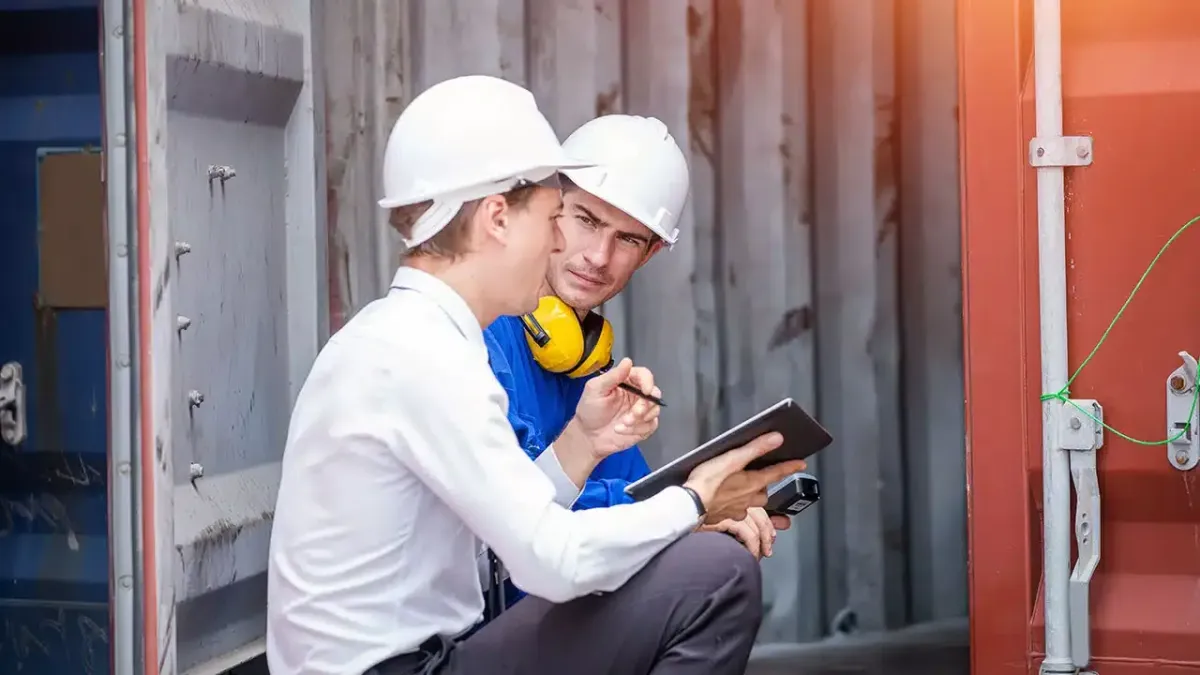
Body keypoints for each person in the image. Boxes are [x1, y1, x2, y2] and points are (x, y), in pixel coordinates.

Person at [265, 74, 806, 675]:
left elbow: (508, 527)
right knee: (717, 575)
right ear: (497, 218)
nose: (566, 247)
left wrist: (584, 444)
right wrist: (695, 500)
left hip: (428, 658)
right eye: (558, 217)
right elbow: (552, 559)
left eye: (624, 238)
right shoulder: (419, 356)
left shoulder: (415, 338)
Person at [485, 115, 786, 573]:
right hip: (491, 623)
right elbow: (511, 525)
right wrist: (690, 506)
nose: (598, 257)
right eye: (586, 220)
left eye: (627, 239)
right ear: (549, 207)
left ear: (649, 254)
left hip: (568, 608)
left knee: (720, 559)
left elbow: (631, 499)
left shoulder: (594, 373)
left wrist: (703, 511)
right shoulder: (480, 335)